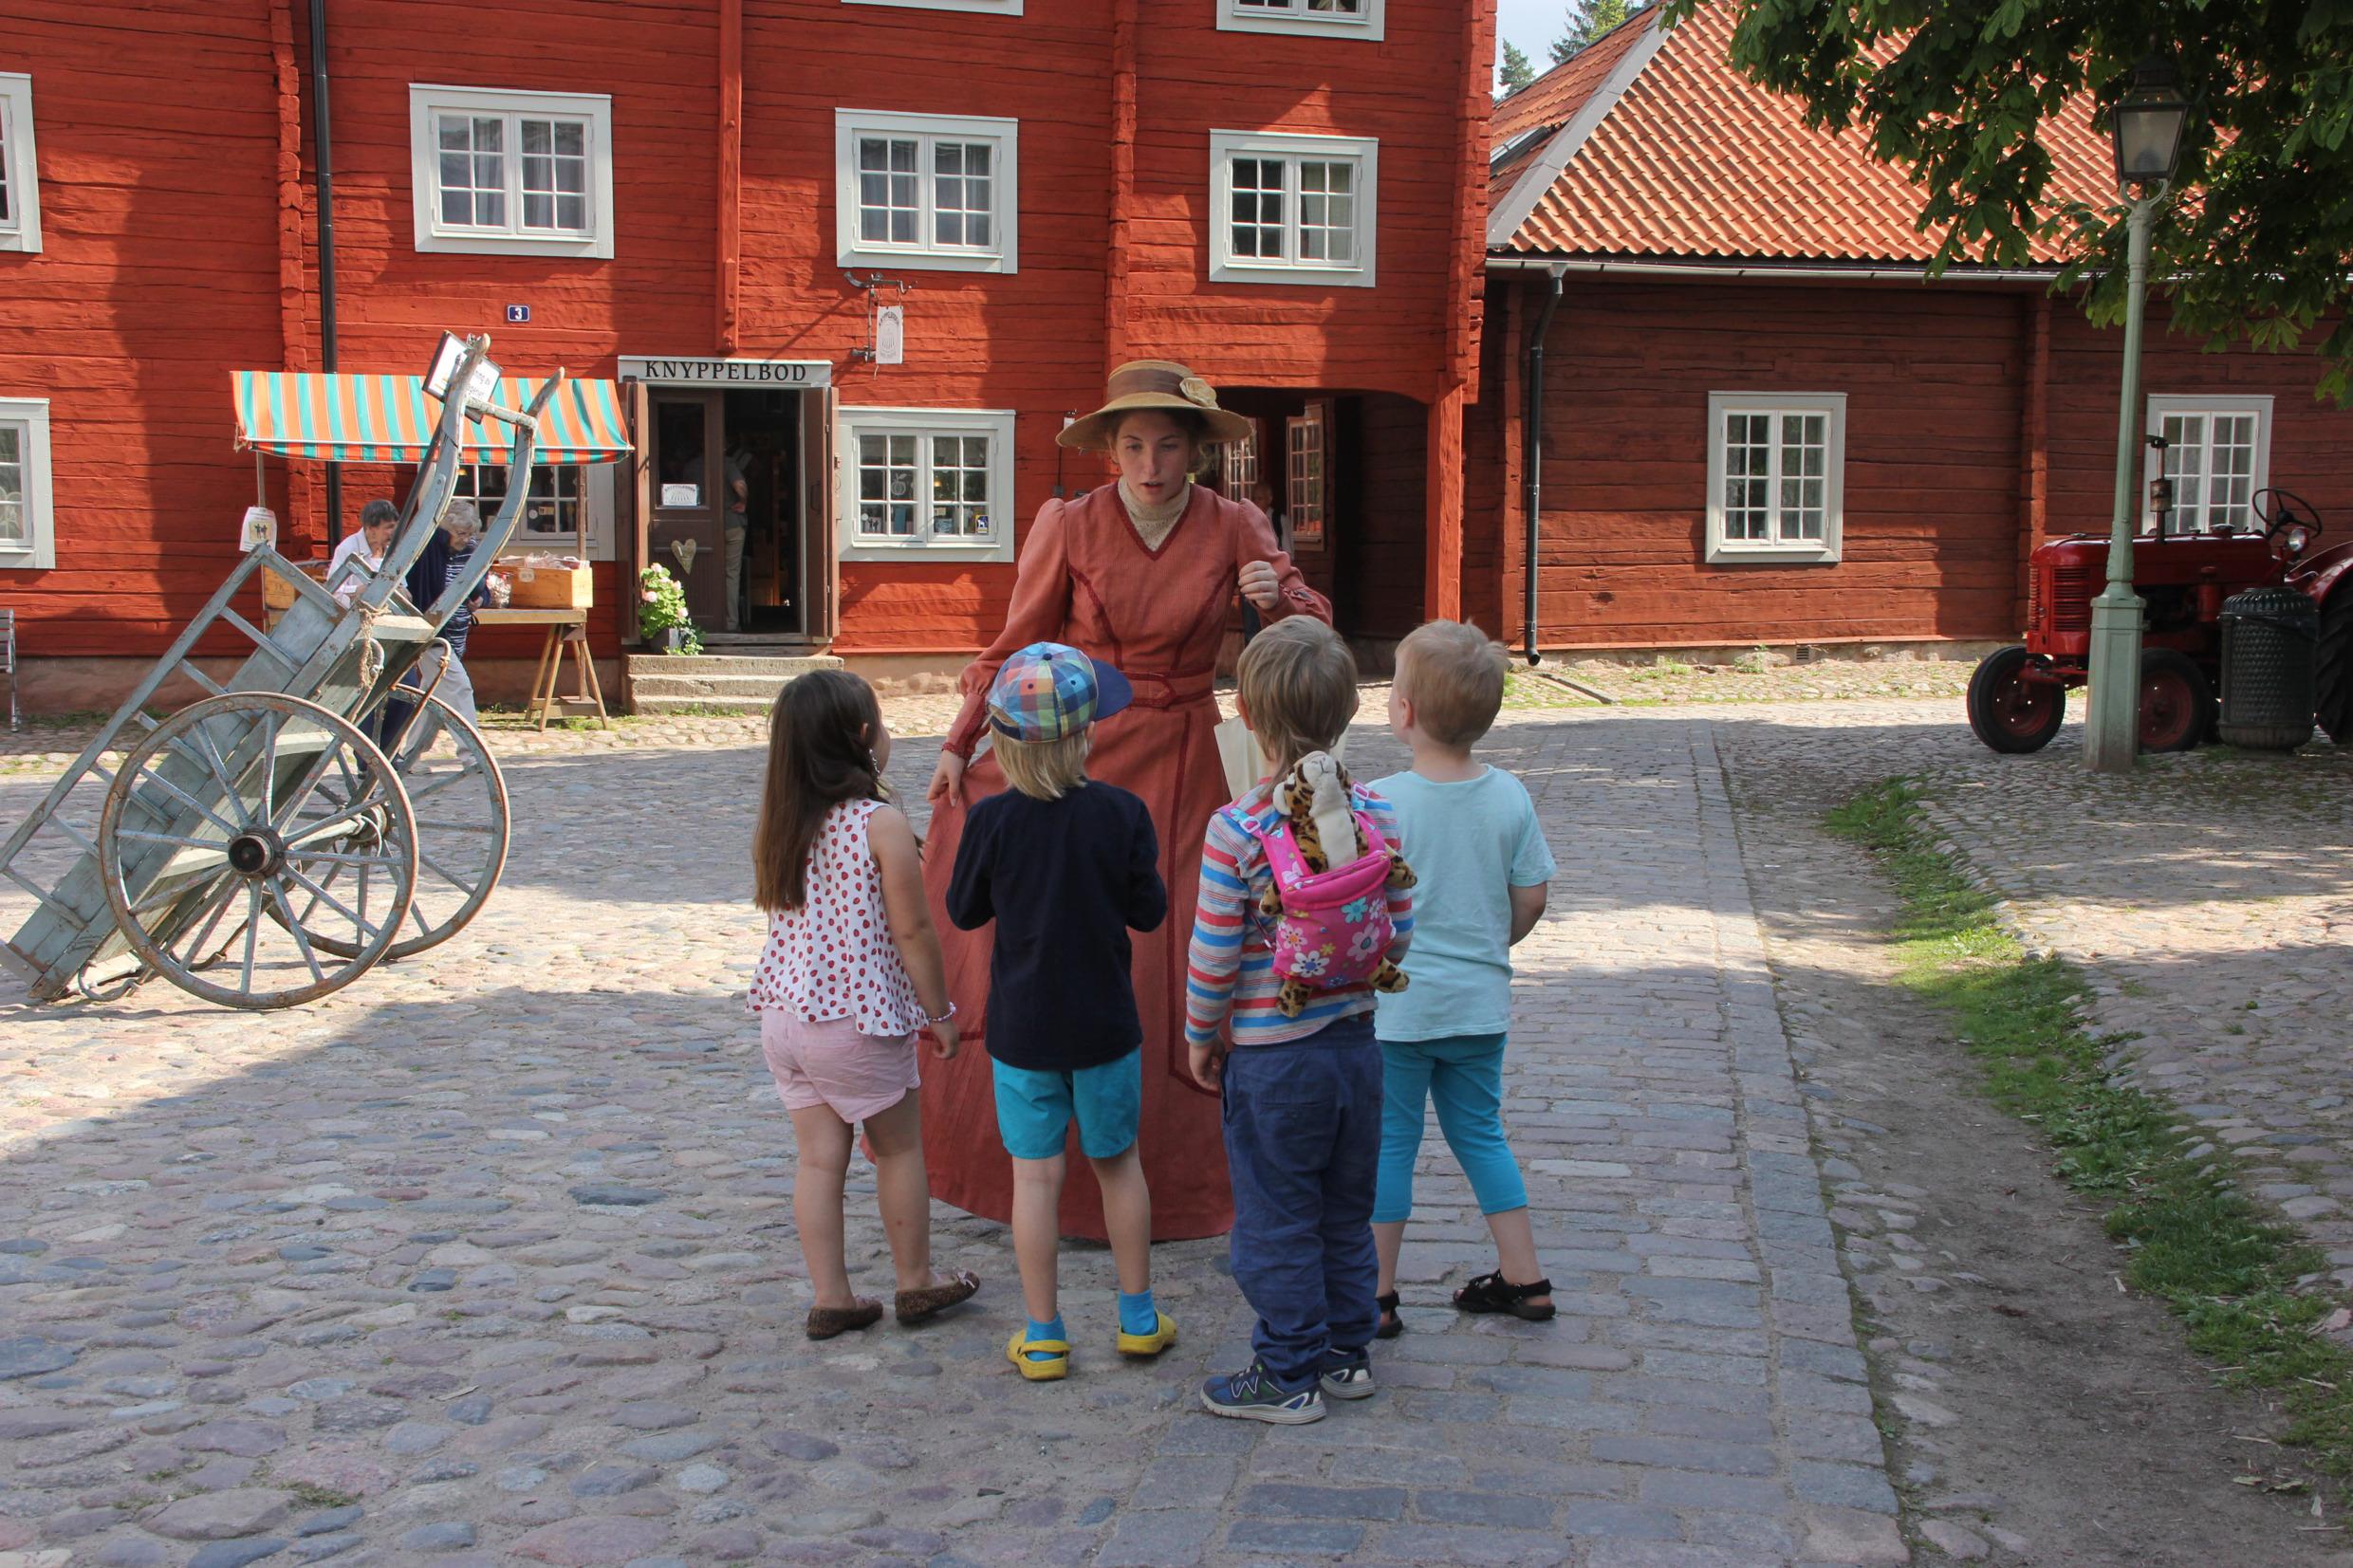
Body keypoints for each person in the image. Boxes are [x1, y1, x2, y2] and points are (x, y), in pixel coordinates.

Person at [918, 362, 1329, 1243]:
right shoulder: (1069, 524)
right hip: (1079, 747)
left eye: (1169, 444)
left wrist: (1278, 598)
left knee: (1174, 945)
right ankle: (1028, 1169)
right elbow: (1015, 643)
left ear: (1198, 451)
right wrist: (960, 744)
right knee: (1044, 920)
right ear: (1110, 450)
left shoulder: (1233, 523)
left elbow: (1310, 639)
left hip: (1183, 754)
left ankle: (1179, 1183)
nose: (1150, 463)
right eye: (1134, 445)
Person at [1185, 618, 1411, 1423]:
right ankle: (1347, 1354)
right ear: (1350, 708)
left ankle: (1286, 1371)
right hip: (1358, 1051)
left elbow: (1213, 954)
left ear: (1246, 713)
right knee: (1346, 1210)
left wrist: (1199, 1035)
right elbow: (1399, 929)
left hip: (1275, 1062)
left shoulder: (1239, 828)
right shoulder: (1379, 814)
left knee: (1277, 1217)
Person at [944, 642, 1176, 1381]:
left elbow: (962, 906)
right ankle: (1138, 1319)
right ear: (1089, 734)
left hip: (1024, 1031)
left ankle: (1043, 1334)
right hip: (1105, 1024)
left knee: (1035, 1180)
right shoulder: (1122, 813)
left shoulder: (993, 823)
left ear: (1004, 742)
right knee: (1119, 1166)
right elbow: (1149, 910)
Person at [750, 669, 981, 1341]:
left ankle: (833, 1296)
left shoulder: (784, 822)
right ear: (861, 737)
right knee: (901, 1149)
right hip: (857, 1020)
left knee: (819, 1160)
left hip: (787, 1018)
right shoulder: (880, 824)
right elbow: (913, 932)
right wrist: (939, 1014)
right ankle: (915, 1281)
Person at [1369, 620, 1558, 1337]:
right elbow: (1533, 894)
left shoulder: (1381, 801)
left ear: (1406, 711)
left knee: (1390, 1142)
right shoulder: (1508, 795)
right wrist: (1492, 939)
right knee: (1481, 1133)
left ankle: (1378, 1294)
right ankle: (1524, 1276)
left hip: (1397, 1009)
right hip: (1480, 1005)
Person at [328, 499, 398, 607]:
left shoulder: (393, 550)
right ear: (370, 528)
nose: (394, 532)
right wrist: (360, 590)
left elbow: (403, 587)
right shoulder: (347, 549)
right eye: (389, 527)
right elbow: (333, 592)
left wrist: (403, 592)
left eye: (395, 526)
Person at [723, 437, 750, 633]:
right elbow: (739, 485)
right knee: (731, 574)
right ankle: (730, 622)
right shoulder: (727, 463)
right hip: (730, 524)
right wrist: (743, 501)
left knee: (701, 571)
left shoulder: (691, 466)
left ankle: (697, 620)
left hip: (699, 527)